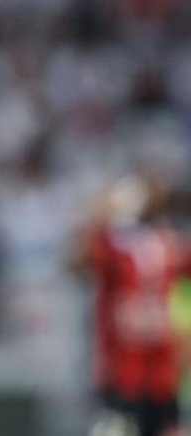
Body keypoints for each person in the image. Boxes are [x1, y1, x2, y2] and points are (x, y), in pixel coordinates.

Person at [71, 175, 190, 436]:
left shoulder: (167, 244)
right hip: (121, 368)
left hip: (161, 368)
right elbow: (77, 263)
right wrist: (101, 213)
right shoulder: (113, 245)